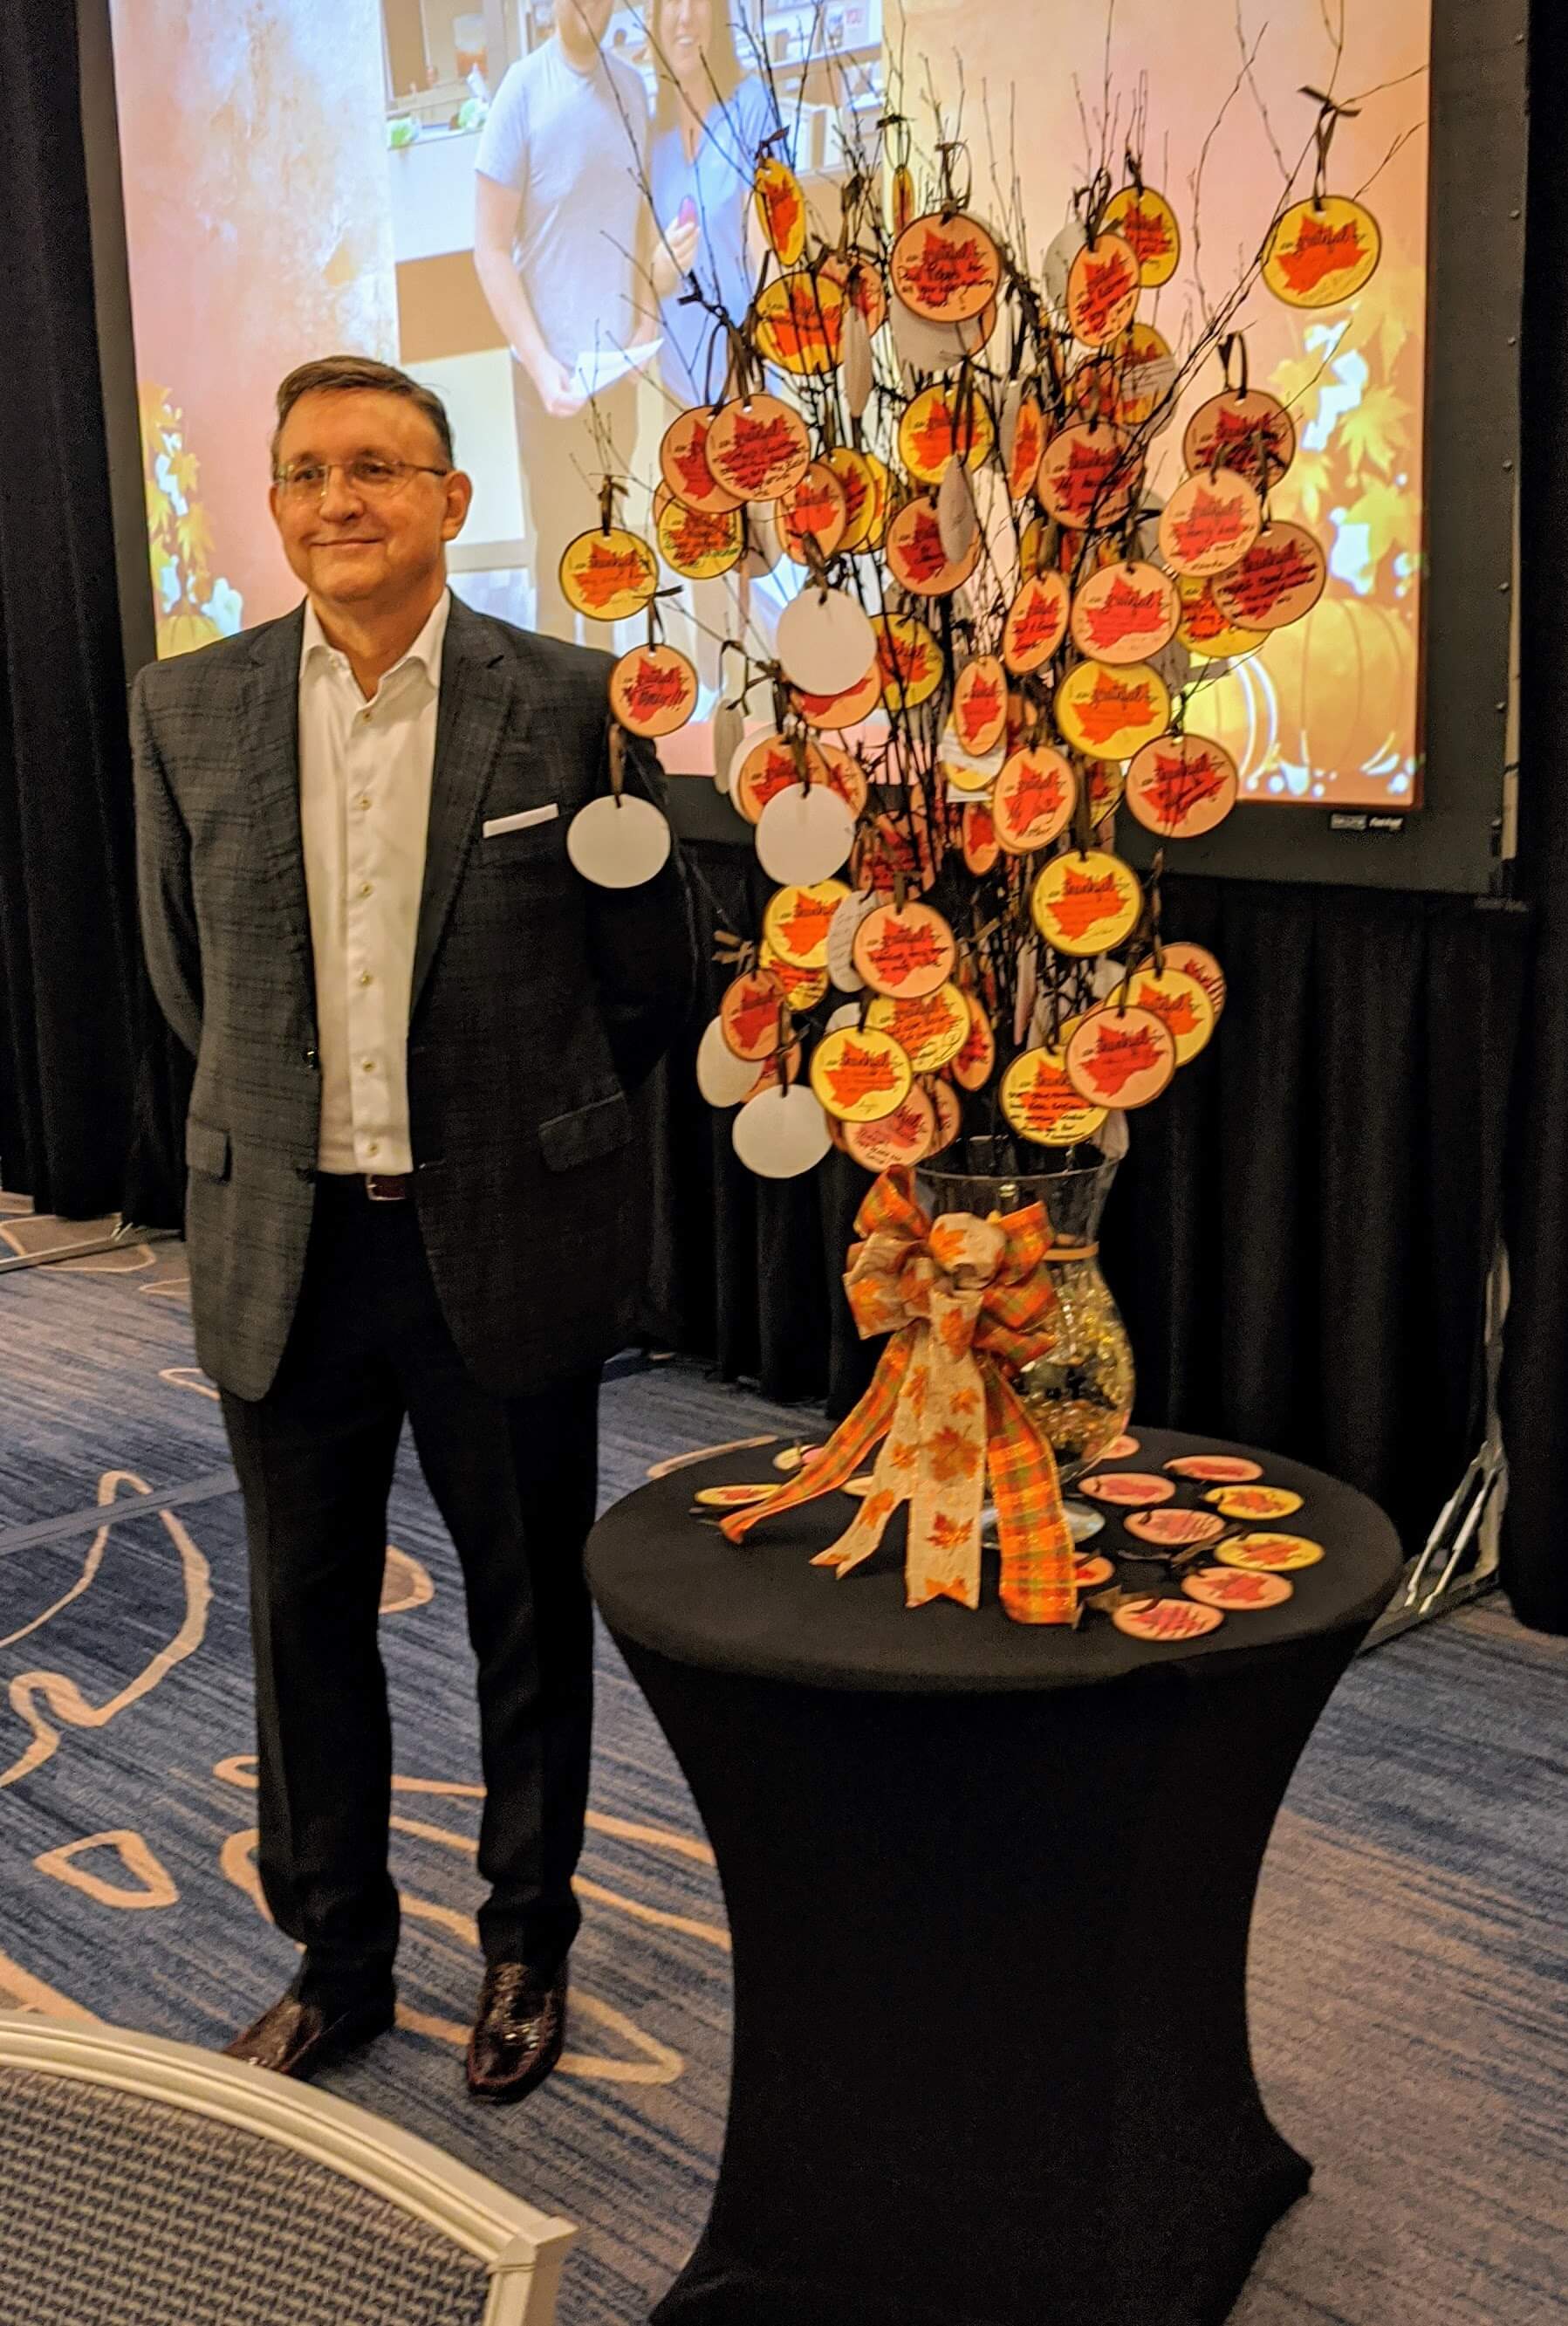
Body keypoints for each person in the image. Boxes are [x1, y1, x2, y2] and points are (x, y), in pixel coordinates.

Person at [132, 353, 693, 2101]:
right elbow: (187, 978)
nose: (336, 501)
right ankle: (337, 1955)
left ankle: (525, 1944)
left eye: (378, 467)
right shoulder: (189, 709)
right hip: (284, 1246)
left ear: (453, 503)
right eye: (304, 472)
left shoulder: (580, 699)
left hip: (500, 1237)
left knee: (525, 1609)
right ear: (275, 504)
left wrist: (514, 1126)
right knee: (303, 1620)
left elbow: (644, 982)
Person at [474, 0, 678, 639]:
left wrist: (644, 325)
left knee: (612, 559)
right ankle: (562, 730)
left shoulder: (631, 88)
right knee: (559, 569)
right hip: (549, 385)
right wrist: (540, 365)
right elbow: (489, 247)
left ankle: (612, 718)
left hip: (614, 375)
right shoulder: (522, 91)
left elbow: (639, 218)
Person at [647, 0, 781, 408]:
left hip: (747, 377)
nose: (685, 14)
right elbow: (653, 275)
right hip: (679, 385)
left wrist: (758, 357)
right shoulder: (654, 135)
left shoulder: (751, 107)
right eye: (671, 2)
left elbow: (770, 255)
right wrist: (662, 268)